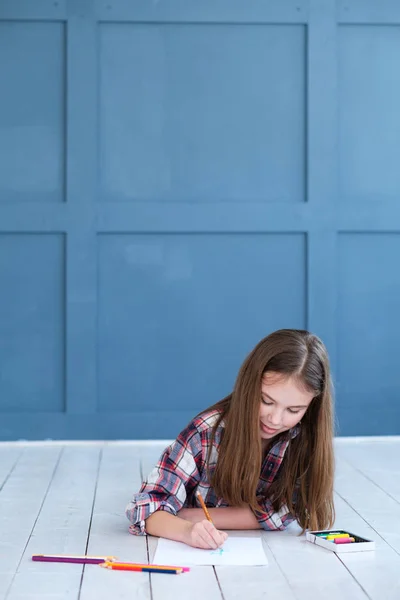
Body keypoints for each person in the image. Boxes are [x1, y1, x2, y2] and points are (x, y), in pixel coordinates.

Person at [126, 329, 335, 549]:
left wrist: (191, 515)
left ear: (311, 407)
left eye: (293, 410)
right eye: (266, 400)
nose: (275, 419)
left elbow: (289, 511)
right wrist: (187, 530)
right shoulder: (206, 433)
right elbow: (145, 509)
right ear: (249, 385)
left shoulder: (306, 440)